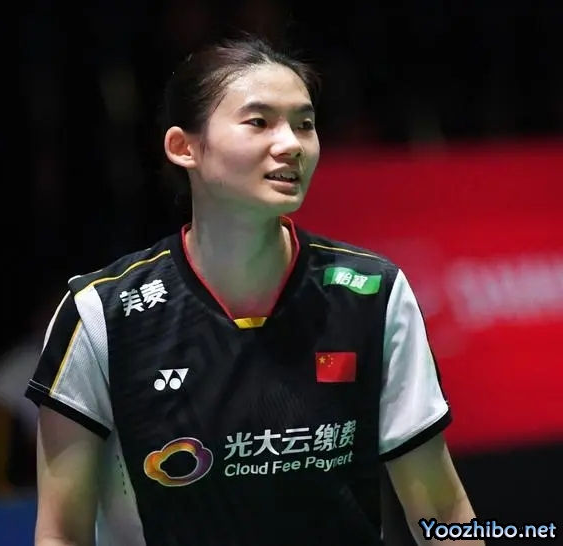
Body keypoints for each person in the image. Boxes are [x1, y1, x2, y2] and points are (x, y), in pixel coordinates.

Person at [26, 34, 483, 546]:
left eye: (305, 124)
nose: (291, 144)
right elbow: (61, 534)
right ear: (183, 147)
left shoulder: (373, 295)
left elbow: (441, 508)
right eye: (259, 122)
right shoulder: (100, 315)